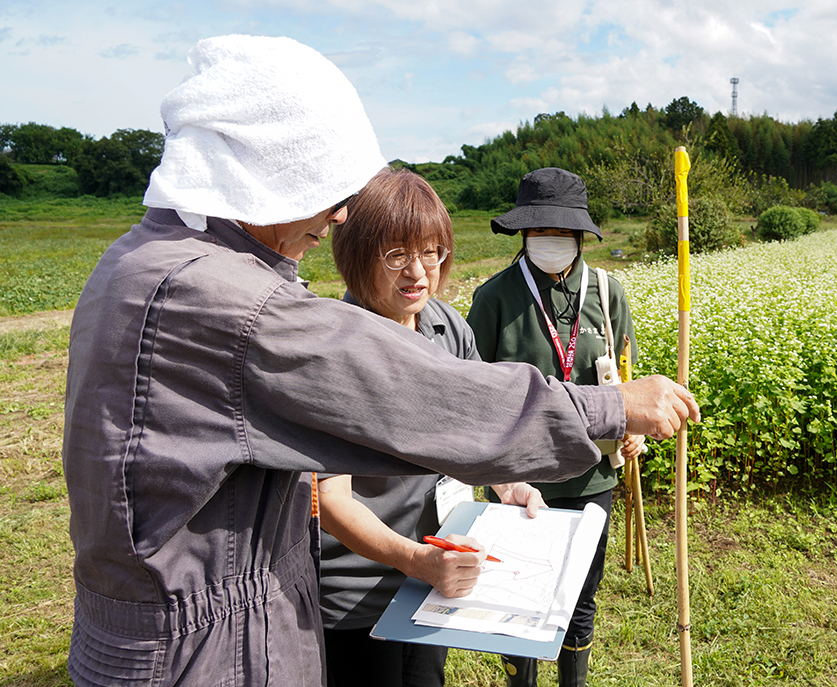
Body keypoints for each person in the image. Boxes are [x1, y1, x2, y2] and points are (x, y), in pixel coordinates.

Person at [62, 35, 700, 687]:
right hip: (212, 655)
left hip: (200, 634)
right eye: (325, 187)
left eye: (432, 253)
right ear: (266, 172)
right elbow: (427, 399)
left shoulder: (141, 258)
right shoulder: (225, 298)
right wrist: (611, 406)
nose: (338, 214)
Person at [318, 169, 545, 687]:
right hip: (358, 591)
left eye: (432, 252)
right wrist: (415, 560)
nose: (418, 271)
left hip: (436, 568)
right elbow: (330, 501)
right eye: (396, 255)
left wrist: (506, 484)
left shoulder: (447, 326)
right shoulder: (333, 349)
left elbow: (477, 432)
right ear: (356, 256)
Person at [466, 167, 643, 687]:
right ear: (523, 234)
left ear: (580, 236)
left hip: (594, 479)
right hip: (522, 480)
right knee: (521, 595)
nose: (551, 242)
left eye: (561, 232)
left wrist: (630, 423)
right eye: (539, 232)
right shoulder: (495, 299)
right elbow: (475, 395)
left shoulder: (607, 293)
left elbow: (624, 377)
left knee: (582, 594)